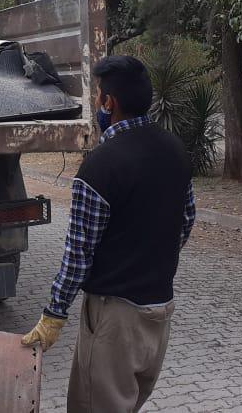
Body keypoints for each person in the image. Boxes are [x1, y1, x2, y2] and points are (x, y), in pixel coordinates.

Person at [21, 55, 196, 413]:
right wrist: (149, 260)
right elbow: (186, 220)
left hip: (115, 321)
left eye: (99, 94)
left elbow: (78, 255)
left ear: (108, 102)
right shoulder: (175, 151)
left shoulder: (100, 166)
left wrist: (54, 314)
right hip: (158, 314)